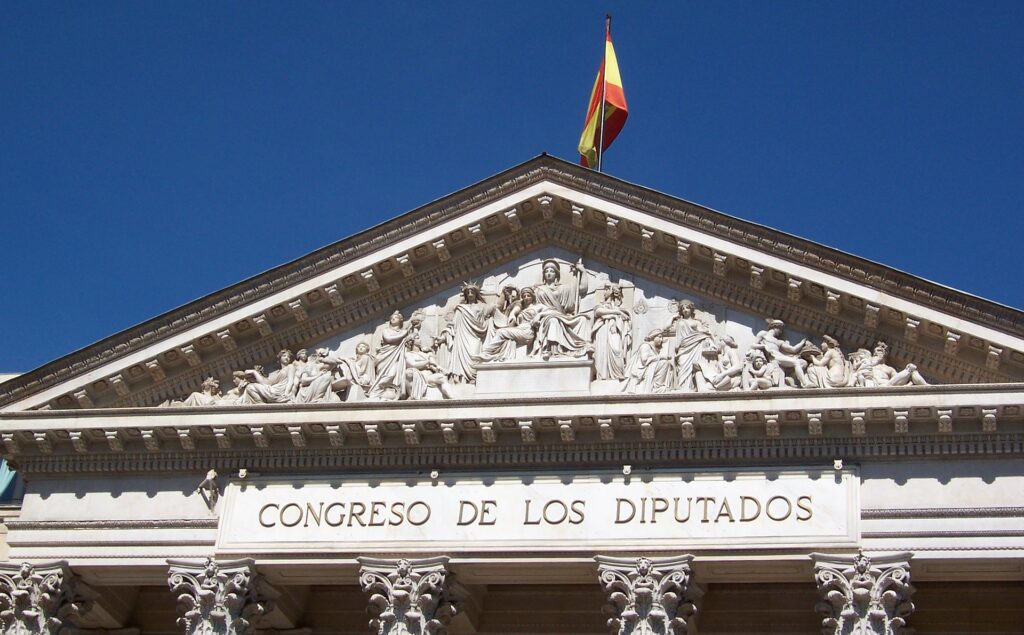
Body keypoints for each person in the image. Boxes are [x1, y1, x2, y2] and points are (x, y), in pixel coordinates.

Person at [532, 258, 590, 359]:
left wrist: (582, 271)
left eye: (552, 271)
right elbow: (527, 304)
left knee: (582, 319)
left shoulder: (564, 288)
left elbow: (582, 288)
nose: (549, 273)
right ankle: (552, 351)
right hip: (546, 317)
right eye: (546, 271)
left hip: (562, 316)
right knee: (553, 321)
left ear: (556, 274)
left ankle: (582, 348)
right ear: (544, 275)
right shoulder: (538, 290)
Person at [477, 286, 540, 362]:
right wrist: (512, 314)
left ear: (533, 297)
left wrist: (539, 315)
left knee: (501, 332)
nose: (526, 298)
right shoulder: (522, 308)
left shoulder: (538, 307)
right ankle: (492, 354)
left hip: (527, 332)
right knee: (500, 331)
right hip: (519, 330)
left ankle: (486, 352)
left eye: (528, 296)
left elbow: (553, 312)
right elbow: (515, 309)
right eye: (524, 296)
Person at [666, 300, 717, 392]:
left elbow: (703, 333)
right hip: (683, 348)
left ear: (691, 309)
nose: (685, 310)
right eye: (683, 308)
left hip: (695, 347)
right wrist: (672, 317)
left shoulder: (696, 323)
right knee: (682, 367)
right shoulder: (679, 322)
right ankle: (682, 387)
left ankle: (692, 387)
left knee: (694, 367)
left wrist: (708, 339)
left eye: (687, 308)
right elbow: (665, 328)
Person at [449, 283, 495, 383]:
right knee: (463, 357)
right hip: (463, 335)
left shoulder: (483, 306)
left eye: (472, 292)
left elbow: (494, 309)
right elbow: (454, 325)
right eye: (468, 292)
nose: (470, 294)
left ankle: (475, 377)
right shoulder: (461, 308)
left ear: (476, 294)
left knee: (475, 354)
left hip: (477, 335)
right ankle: (464, 379)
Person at [367, 311, 418, 400]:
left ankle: (385, 390)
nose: (393, 319)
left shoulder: (404, 331)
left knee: (392, 374)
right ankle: (376, 391)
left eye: (396, 317)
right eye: (391, 318)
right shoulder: (386, 330)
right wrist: (404, 334)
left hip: (397, 356)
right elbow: (389, 339)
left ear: (401, 320)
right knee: (384, 375)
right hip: (385, 355)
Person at [752, 319, 813, 388]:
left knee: (803, 362)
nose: (781, 332)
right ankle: (805, 383)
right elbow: (753, 345)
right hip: (774, 358)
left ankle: (791, 378)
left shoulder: (778, 341)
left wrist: (802, 342)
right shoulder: (763, 334)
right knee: (796, 362)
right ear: (775, 327)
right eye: (780, 329)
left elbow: (793, 349)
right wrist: (763, 346)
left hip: (779, 356)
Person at [591, 284, 632, 380]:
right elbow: (598, 312)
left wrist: (617, 315)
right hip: (602, 330)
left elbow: (626, 320)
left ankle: (617, 374)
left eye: (606, 290)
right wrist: (615, 313)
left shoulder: (619, 308)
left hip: (614, 330)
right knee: (601, 353)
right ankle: (602, 376)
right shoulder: (601, 304)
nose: (604, 292)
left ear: (611, 291)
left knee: (616, 350)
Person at [853, 341, 929, 387]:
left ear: (885, 353)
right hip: (874, 385)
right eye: (874, 352)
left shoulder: (889, 369)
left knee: (911, 368)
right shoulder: (867, 364)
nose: (876, 353)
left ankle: (926, 388)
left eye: (879, 351)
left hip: (888, 385)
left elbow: (897, 380)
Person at [624, 329, 674, 394]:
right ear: (653, 337)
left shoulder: (653, 348)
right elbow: (644, 360)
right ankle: (657, 387)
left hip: (649, 369)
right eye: (659, 337)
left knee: (668, 364)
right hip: (642, 370)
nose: (661, 340)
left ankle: (658, 386)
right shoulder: (645, 346)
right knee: (665, 363)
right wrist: (661, 357)